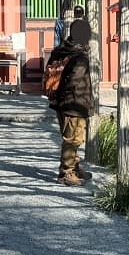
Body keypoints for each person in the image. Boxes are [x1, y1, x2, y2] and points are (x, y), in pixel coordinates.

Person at [46, 18, 93, 185]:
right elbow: (75, 80)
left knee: (71, 137)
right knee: (73, 139)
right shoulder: (80, 55)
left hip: (59, 102)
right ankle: (66, 173)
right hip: (74, 103)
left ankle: (75, 167)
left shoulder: (60, 50)